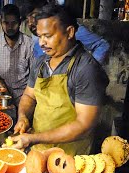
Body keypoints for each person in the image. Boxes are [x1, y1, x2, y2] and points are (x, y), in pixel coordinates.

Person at [11, 4, 109, 156]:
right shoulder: (40, 62)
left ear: (69, 32)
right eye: (40, 36)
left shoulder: (85, 69)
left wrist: (33, 138)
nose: (41, 43)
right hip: (38, 152)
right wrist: (23, 117)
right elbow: (29, 96)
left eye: (48, 36)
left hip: (70, 157)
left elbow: (84, 125)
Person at [26, 0, 110, 64]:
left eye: (34, 16)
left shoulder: (68, 29)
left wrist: (87, 69)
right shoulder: (35, 37)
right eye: (27, 19)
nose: (30, 23)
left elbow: (102, 45)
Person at [0, 4, 35, 106]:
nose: (10, 27)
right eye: (6, 23)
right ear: (0, 22)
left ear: (20, 22)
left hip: (24, 98)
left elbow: (33, 77)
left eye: (13, 23)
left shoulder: (29, 43)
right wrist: (2, 88)